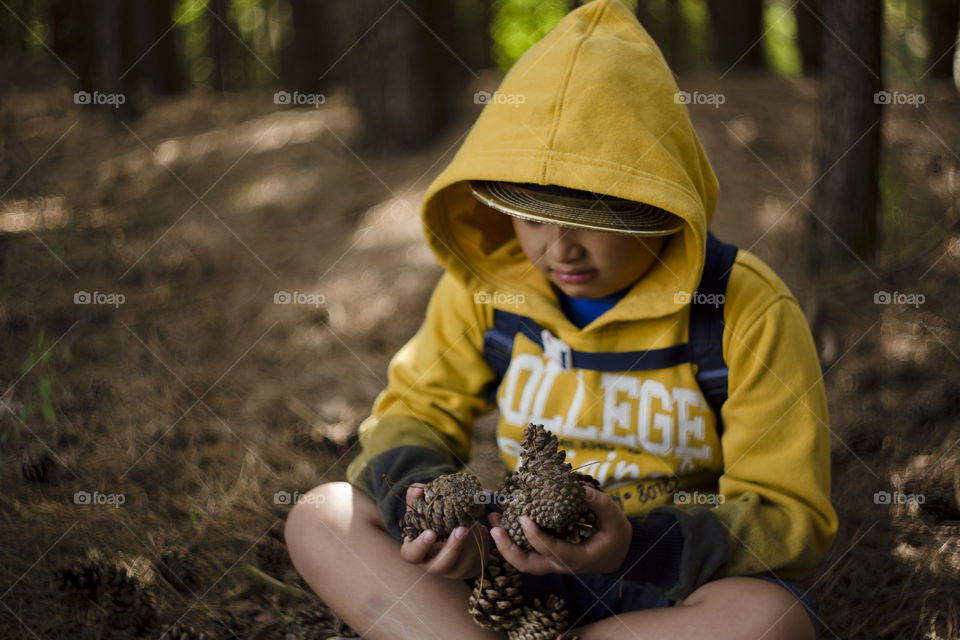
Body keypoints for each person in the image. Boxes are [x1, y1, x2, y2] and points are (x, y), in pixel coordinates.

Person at [285, 1, 837, 638]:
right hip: (511, 557)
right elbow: (411, 411)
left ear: (659, 208)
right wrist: (430, 511)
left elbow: (788, 514)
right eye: (533, 218)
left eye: (594, 225)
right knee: (323, 515)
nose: (559, 250)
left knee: (771, 621)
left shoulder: (744, 307)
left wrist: (636, 547)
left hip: (670, 580)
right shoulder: (490, 292)